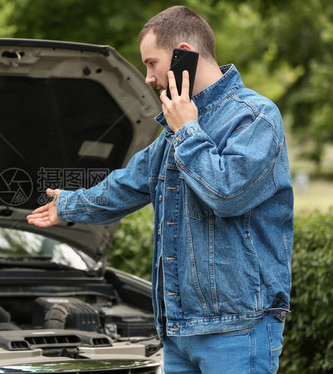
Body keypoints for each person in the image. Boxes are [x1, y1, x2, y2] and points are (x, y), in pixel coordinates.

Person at [27, 5, 293, 374]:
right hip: (178, 328)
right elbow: (129, 183)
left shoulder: (254, 116)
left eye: (151, 63)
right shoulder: (176, 128)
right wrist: (69, 205)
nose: (148, 78)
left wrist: (187, 130)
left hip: (237, 327)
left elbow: (228, 194)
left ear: (183, 52)